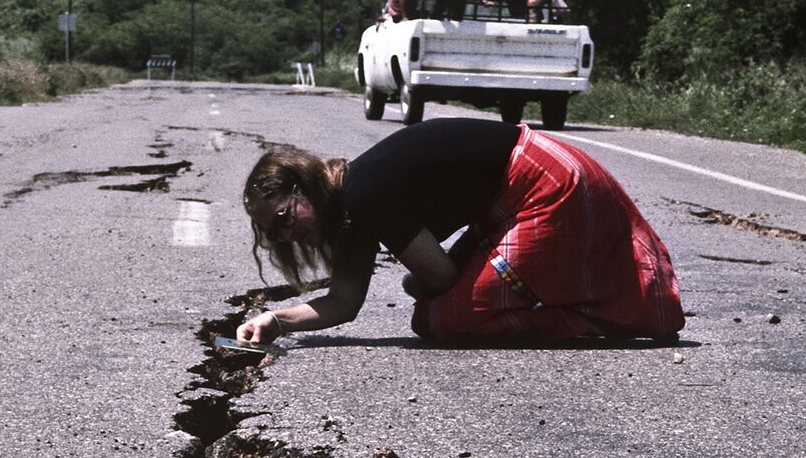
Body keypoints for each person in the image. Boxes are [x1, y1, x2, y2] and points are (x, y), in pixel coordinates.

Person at [236, 117, 685, 346]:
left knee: (442, 319)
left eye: (283, 218)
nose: (286, 235)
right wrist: (275, 321)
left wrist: (419, 281)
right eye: (274, 234)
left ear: (304, 184)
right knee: (438, 306)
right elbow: (344, 302)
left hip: (546, 185)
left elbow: (441, 279)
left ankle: (596, 319)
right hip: (523, 189)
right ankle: (595, 304)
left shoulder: (364, 193)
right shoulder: (352, 201)